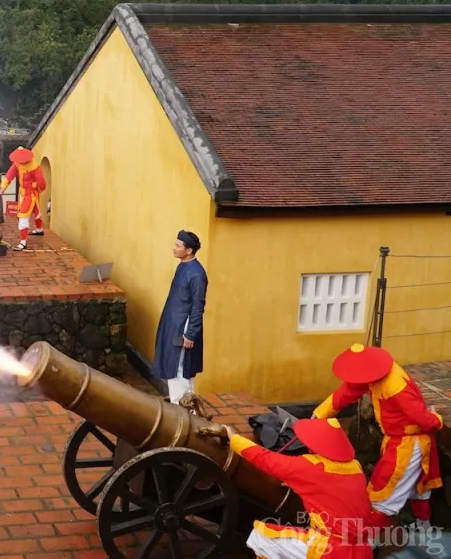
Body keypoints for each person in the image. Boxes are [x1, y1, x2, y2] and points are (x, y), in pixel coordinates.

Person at [312, 343, 443, 530]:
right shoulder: (375, 373)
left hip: (408, 445)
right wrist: (321, 413)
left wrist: (436, 420)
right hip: (400, 441)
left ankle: (369, 541)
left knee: (382, 494)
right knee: (416, 486)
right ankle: (423, 526)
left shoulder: (396, 386)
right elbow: (347, 391)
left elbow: (419, 416)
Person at [222, 418, 374, 559]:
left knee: (260, 537)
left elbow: (264, 458)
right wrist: (299, 483)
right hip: (362, 548)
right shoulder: (356, 466)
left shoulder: (310, 467)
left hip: (331, 550)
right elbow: (334, 489)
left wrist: (234, 437)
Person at [150, 230, 207, 403]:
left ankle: (181, 410)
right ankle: (189, 408)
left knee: (178, 368)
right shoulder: (183, 266)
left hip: (182, 328)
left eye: (178, 245)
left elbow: (198, 305)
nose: (174, 248)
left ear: (188, 250)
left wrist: (190, 333)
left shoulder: (197, 275)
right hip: (173, 325)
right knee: (178, 367)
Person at [0, 146, 45, 250]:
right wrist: (3, 187)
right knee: (35, 211)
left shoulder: (35, 167)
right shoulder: (17, 164)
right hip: (23, 193)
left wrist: (36, 188)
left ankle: (23, 242)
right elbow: (9, 176)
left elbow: (42, 183)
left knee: (23, 215)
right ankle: (39, 229)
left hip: (31, 193)